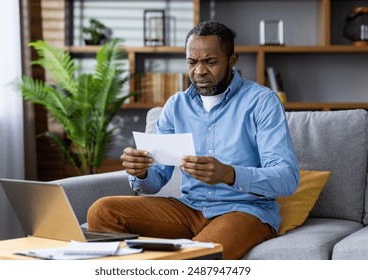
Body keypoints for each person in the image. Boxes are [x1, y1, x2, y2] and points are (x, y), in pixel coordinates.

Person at [87, 21, 300, 259]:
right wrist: (141, 172)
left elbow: (287, 178)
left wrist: (229, 174)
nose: (199, 71)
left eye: (210, 61)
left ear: (232, 60)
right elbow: (155, 182)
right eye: (192, 62)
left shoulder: (262, 102)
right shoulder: (176, 106)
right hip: (189, 209)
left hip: (245, 211)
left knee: (194, 258)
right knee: (102, 211)